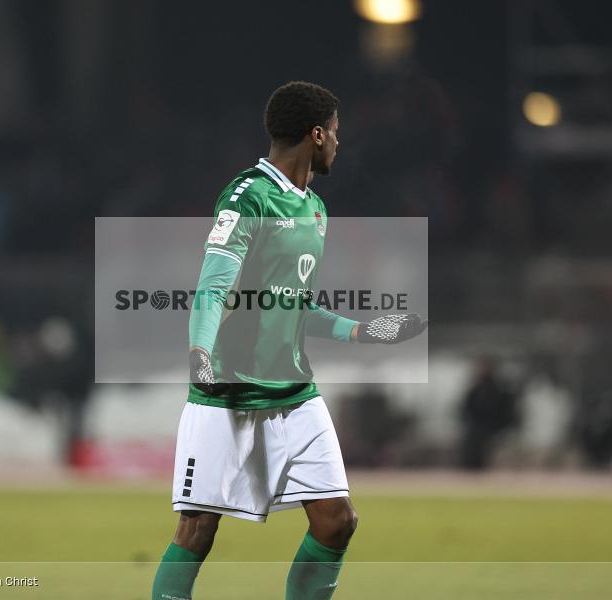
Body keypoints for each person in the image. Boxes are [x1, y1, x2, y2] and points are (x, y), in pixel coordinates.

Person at [151, 81, 428, 600]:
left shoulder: (315, 211)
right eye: (337, 134)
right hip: (227, 392)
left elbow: (292, 306)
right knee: (197, 532)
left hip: (295, 393)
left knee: (336, 521)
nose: (340, 144)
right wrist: (199, 350)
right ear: (316, 134)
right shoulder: (247, 196)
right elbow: (215, 284)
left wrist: (364, 331)